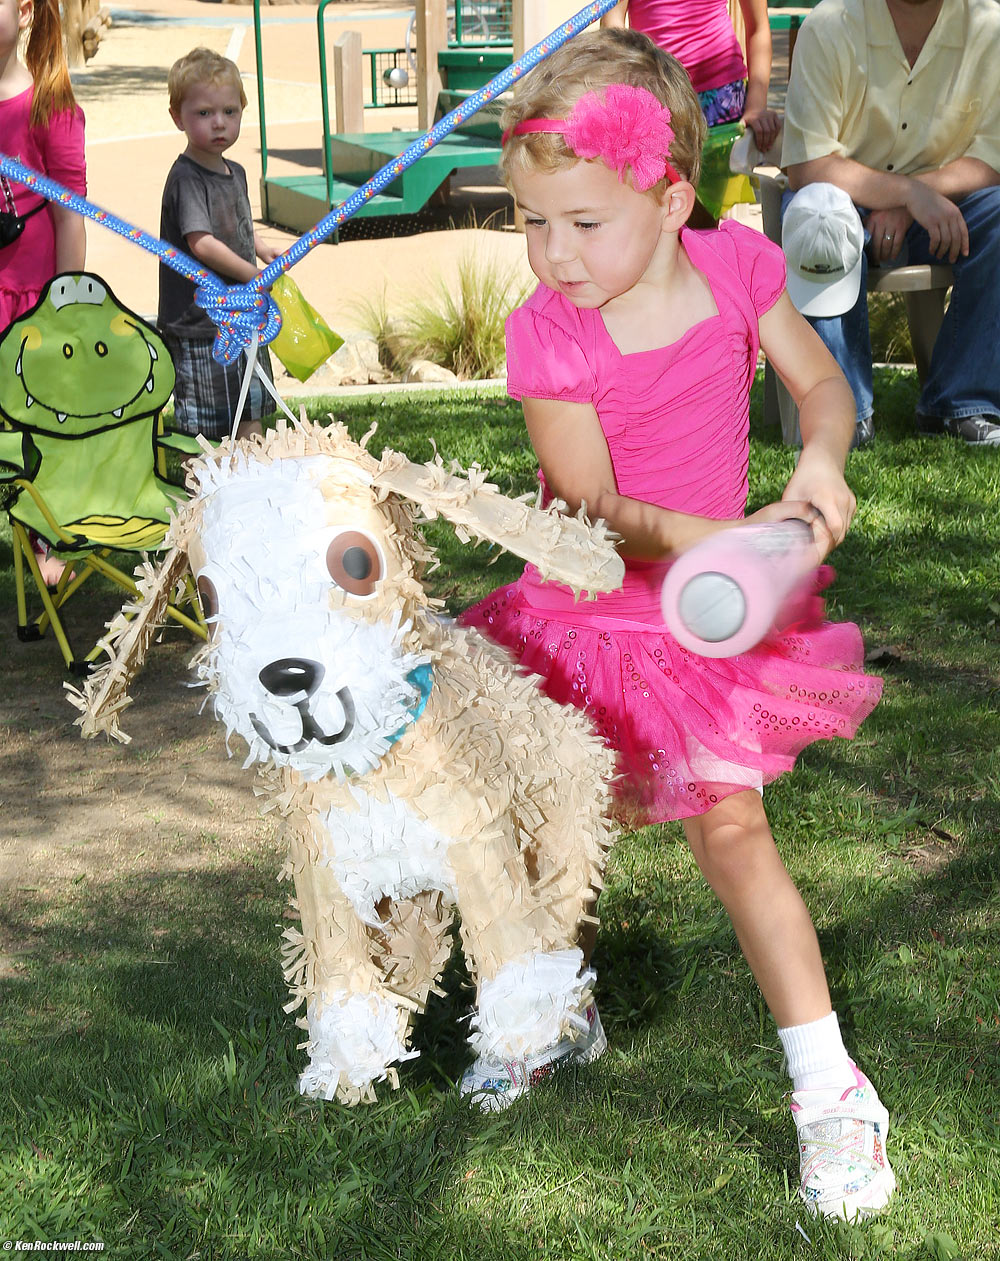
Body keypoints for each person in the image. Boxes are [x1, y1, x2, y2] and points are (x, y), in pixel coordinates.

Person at [459, 27, 895, 1222]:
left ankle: (828, 1088)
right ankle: (553, 1005)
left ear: (668, 193)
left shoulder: (741, 270)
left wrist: (817, 465)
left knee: (732, 829)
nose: (552, 254)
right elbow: (592, 508)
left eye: (582, 222)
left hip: (709, 621)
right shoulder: (546, 332)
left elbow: (819, 386)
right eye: (529, 221)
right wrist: (739, 536)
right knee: (562, 816)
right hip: (586, 601)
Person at [780, 0, 1000, 447]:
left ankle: (961, 403)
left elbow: (994, 158)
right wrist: (907, 193)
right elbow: (808, 166)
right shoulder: (829, 25)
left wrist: (915, 196)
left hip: (941, 206)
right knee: (819, 211)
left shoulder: (989, 27)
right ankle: (844, 410)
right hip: (843, 201)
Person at [0, 0, 87, 585]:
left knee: (37, 431)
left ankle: (45, 535)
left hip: (29, 301)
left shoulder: (49, 104)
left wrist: (66, 307)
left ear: (25, 12)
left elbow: (71, 212)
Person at [158, 47, 279, 445]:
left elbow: (237, 227)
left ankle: (252, 489)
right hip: (200, 327)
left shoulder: (236, 172)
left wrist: (260, 249)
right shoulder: (187, 179)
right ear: (178, 116)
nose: (219, 124)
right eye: (204, 113)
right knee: (205, 431)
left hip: (241, 319)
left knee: (251, 412)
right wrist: (253, 275)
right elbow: (203, 244)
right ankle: (205, 499)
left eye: (230, 112)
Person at [601, 0, 781, 152]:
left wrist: (756, 105)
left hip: (722, 96)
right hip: (656, 96)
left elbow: (759, 28)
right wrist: (626, 102)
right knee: (661, 191)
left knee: (726, 191)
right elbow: (613, 31)